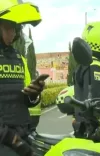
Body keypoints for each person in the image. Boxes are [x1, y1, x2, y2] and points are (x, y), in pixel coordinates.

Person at [0, 1, 44, 156]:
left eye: (16, 28)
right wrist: (14, 141)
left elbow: (22, 98)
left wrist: (33, 95)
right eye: (9, 27)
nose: (14, 33)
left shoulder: (18, 58)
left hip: (22, 134)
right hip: (6, 140)